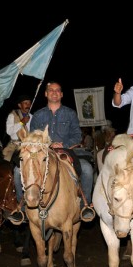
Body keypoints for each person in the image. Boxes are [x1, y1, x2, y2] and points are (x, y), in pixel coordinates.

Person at [9, 82, 94, 223]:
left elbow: (77, 135)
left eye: (57, 90)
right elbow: (33, 136)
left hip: (66, 151)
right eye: (51, 90)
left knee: (87, 168)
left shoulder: (71, 113)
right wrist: (47, 144)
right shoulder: (38, 115)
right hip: (43, 152)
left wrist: (63, 144)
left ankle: (84, 206)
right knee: (18, 171)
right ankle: (21, 208)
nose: (54, 92)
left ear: (61, 94)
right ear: (46, 94)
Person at [3, 95, 32, 163]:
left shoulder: (32, 116)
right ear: (19, 105)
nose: (28, 105)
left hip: (27, 145)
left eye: (29, 103)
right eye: (25, 103)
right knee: (7, 163)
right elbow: (9, 131)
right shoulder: (12, 115)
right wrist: (22, 122)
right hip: (14, 146)